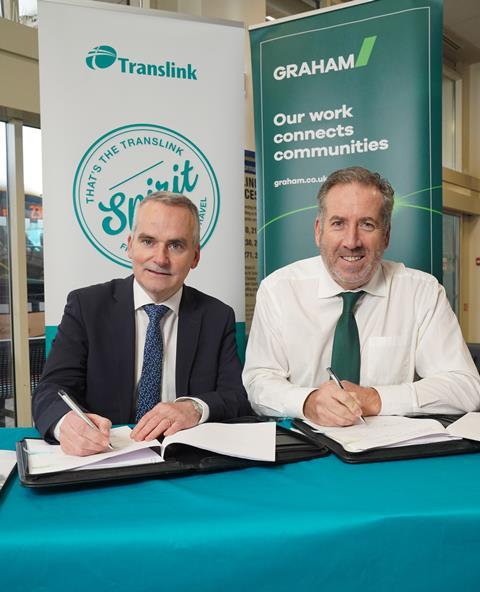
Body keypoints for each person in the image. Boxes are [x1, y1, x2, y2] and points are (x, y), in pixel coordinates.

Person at [243, 166, 480, 426]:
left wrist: (378, 399)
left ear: (386, 235)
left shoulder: (421, 292)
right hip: (305, 448)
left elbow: (466, 388)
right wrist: (307, 402)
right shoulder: (278, 290)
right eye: (338, 223)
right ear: (318, 231)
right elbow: (259, 382)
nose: (351, 241)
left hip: (391, 454)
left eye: (367, 224)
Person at [33, 192, 251, 455]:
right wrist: (65, 424)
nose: (160, 258)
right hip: (105, 459)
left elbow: (237, 397)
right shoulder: (87, 306)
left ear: (194, 257)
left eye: (176, 245)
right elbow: (51, 391)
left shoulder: (217, 316)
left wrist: (194, 407)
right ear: (130, 245)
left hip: (184, 462)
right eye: (148, 241)